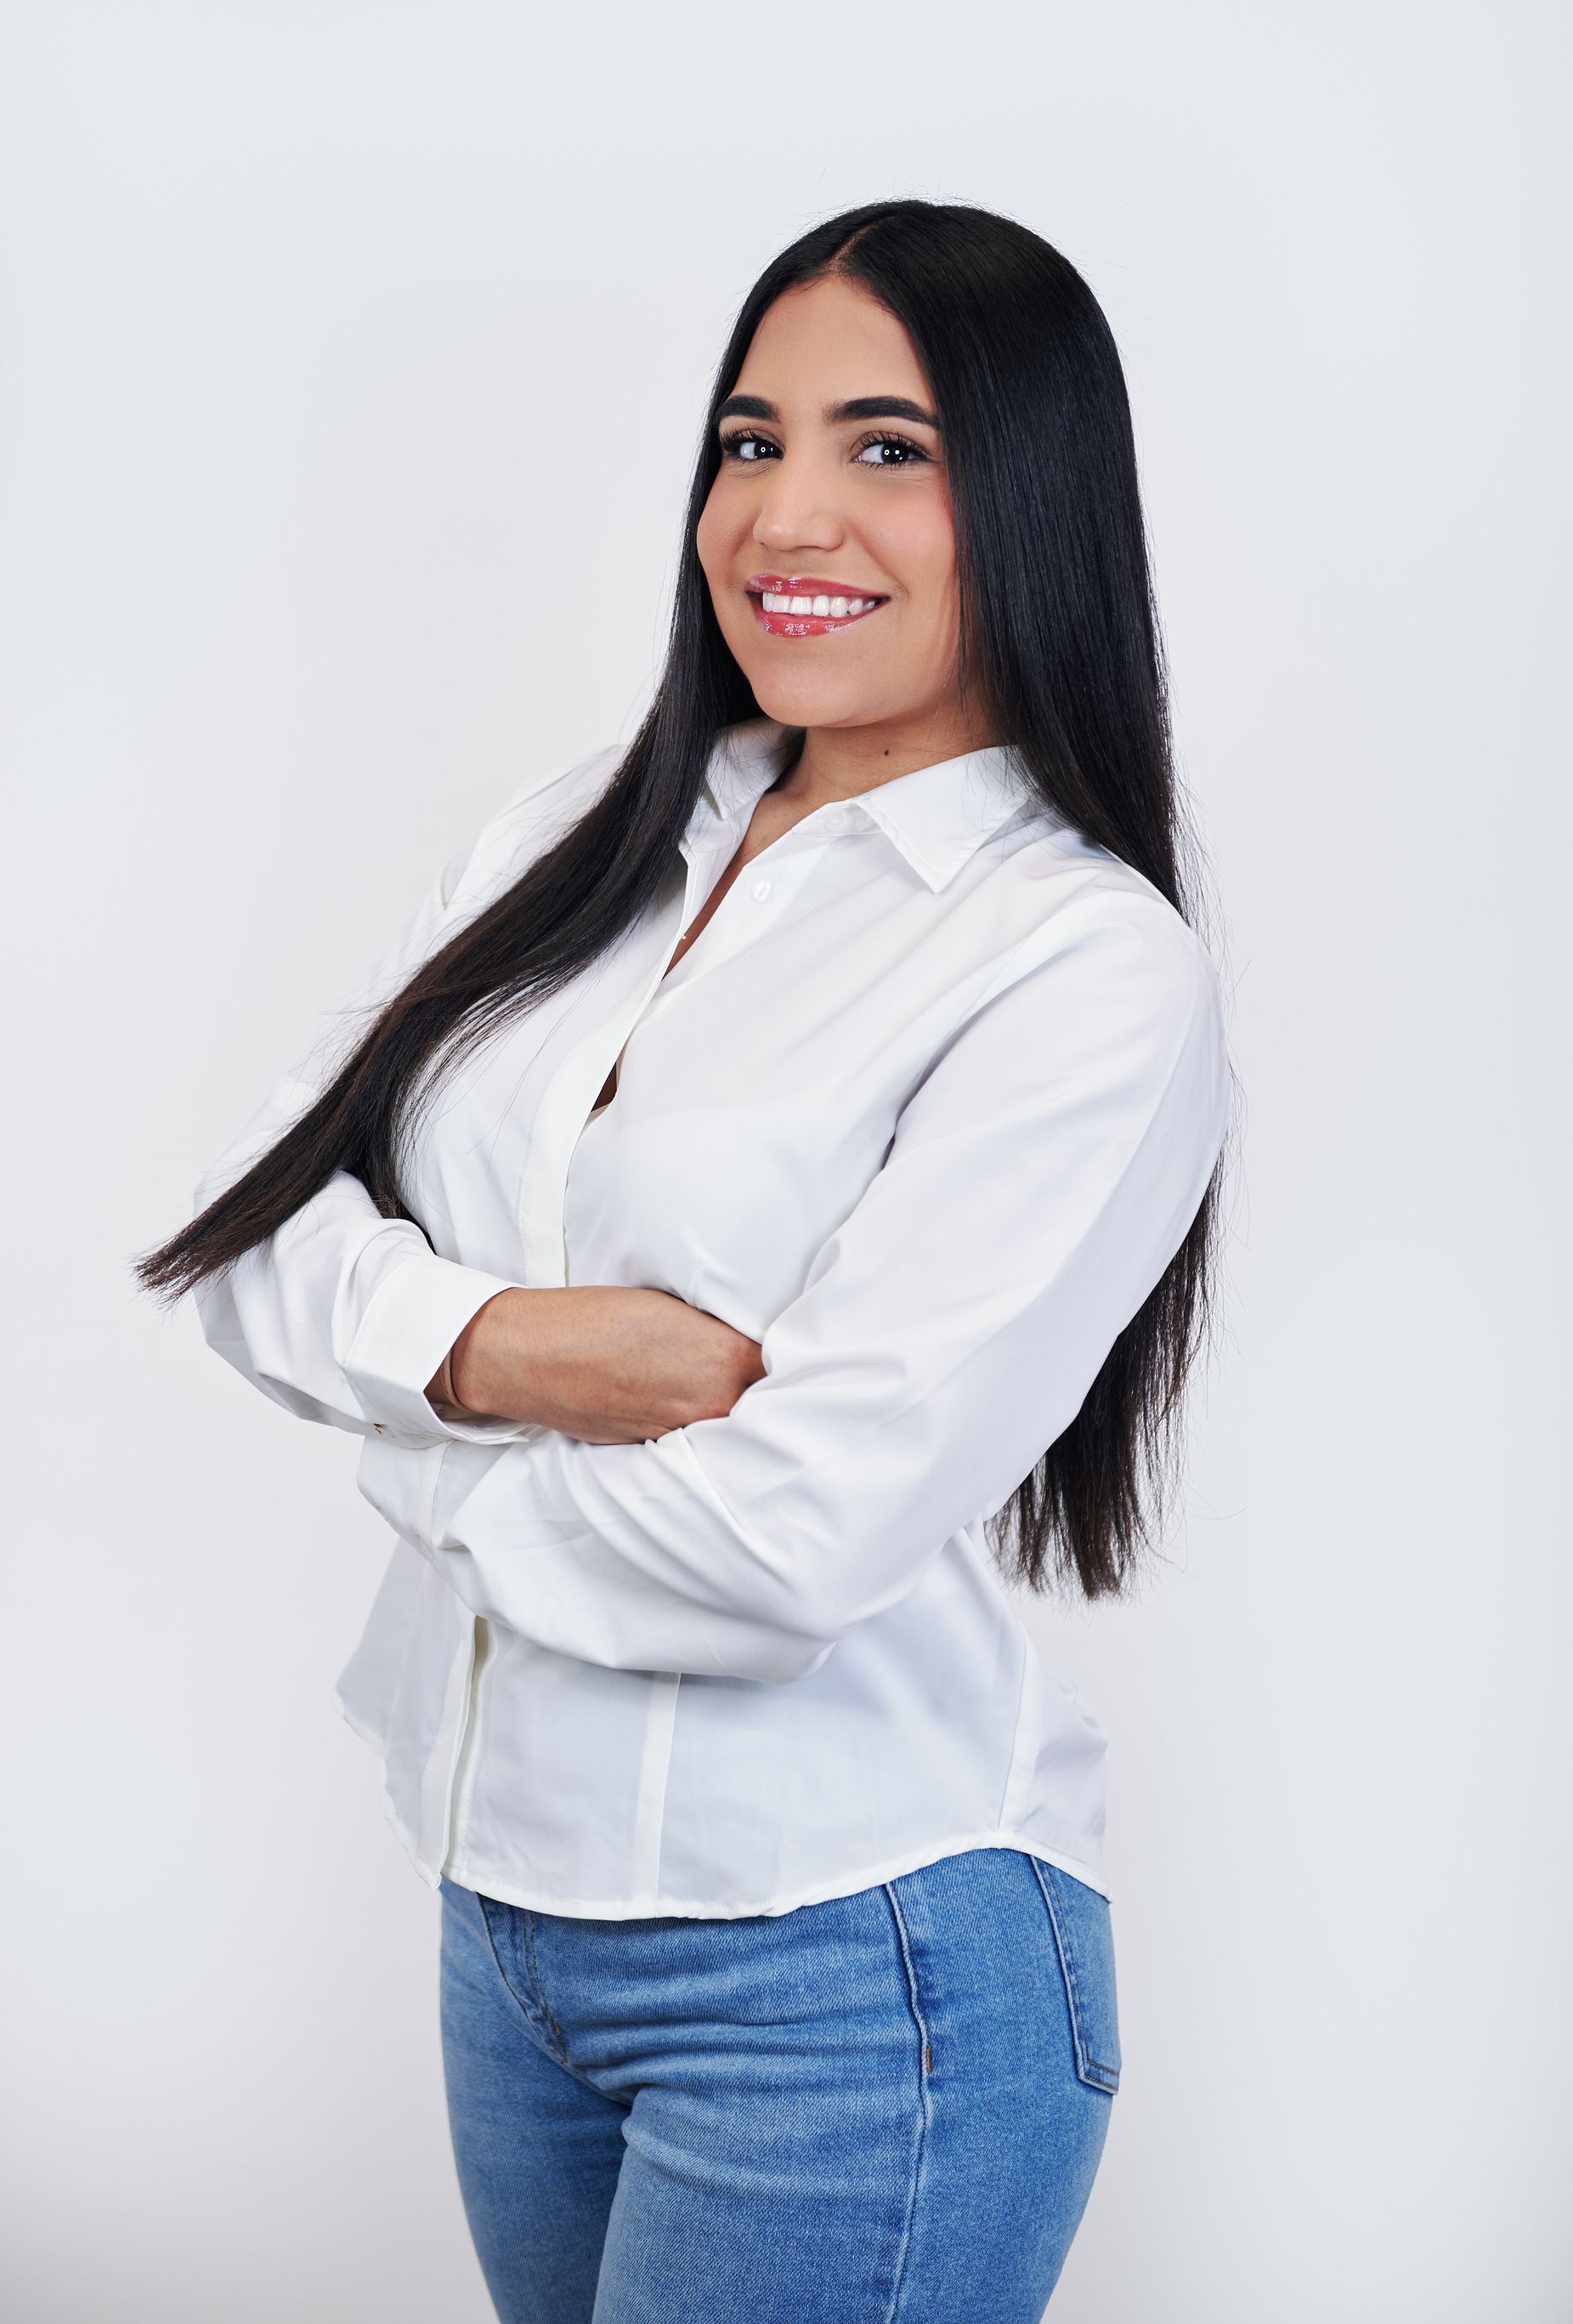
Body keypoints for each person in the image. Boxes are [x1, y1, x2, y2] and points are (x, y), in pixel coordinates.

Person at [138, 198, 1233, 2324]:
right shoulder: (589, 834)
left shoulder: (1085, 967)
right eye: (751, 438)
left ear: (1032, 491)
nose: (787, 511)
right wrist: (520, 1349)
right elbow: (247, 1229)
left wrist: (401, 1435)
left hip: (846, 1978)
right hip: (503, 1924)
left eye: (888, 448)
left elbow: (784, 1541)